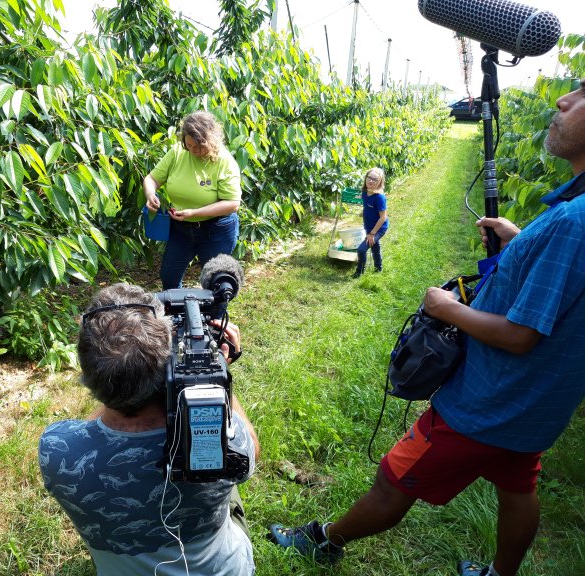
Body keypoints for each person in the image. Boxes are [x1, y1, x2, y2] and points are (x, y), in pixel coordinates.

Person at [269, 78, 585, 576]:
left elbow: (522, 336)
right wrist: (521, 240)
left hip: (490, 400)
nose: (564, 101)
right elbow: (567, 281)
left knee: (395, 477)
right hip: (538, 403)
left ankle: (324, 541)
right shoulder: (575, 215)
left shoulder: (574, 221)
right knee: (518, 483)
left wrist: (446, 308)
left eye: (583, 96)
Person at [39, 283, 260, 575]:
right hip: (223, 568)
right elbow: (253, 453)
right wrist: (216, 376)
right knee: (222, 468)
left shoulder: (56, 449)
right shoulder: (228, 444)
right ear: (167, 364)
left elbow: (103, 417)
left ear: (87, 372)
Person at [143, 111, 242, 289]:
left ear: (212, 141)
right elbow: (152, 179)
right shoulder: (178, 153)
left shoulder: (224, 162)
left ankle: (215, 317)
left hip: (216, 229)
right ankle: (176, 313)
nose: (194, 151)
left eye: (200, 147)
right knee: (169, 276)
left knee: (216, 280)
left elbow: (232, 204)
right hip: (181, 229)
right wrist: (151, 194)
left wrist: (195, 213)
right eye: (189, 145)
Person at [353, 167, 389, 278]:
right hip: (369, 226)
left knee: (361, 250)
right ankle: (378, 268)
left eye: (375, 179)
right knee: (375, 247)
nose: (371, 181)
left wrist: (372, 234)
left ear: (379, 182)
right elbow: (367, 206)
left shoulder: (379, 198)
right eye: (369, 177)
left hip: (379, 228)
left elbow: (383, 217)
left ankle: (359, 273)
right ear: (366, 178)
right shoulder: (365, 192)